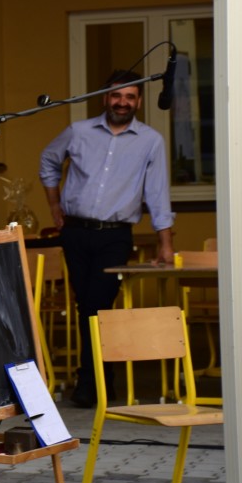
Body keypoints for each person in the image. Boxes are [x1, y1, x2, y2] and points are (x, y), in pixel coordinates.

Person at [39, 69, 175, 408]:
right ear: (105, 98)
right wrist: (54, 204)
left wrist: (165, 244)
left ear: (139, 102)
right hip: (75, 232)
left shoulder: (150, 141)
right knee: (85, 303)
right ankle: (101, 379)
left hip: (115, 236)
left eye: (130, 97)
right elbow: (48, 161)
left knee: (98, 303)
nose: (122, 102)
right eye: (117, 95)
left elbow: (158, 193)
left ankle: (91, 381)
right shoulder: (79, 131)